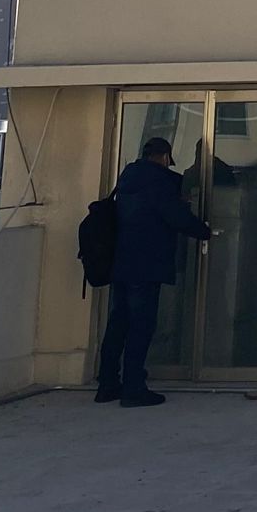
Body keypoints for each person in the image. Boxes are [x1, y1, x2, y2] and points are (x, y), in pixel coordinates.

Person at [96, 134, 212, 407]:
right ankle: (133, 388)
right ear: (164, 157)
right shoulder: (158, 182)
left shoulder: (127, 178)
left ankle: (107, 384)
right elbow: (176, 216)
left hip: (122, 263)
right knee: (141, 326)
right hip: (146, 264)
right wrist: (204, 231)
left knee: (118, 323)